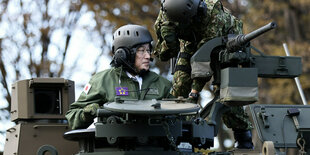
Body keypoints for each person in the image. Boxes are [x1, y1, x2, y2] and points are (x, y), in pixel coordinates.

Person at [154, 0, 253, 149]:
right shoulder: (167, 11)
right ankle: (174, 135)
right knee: (179, 86)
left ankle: (244, 139)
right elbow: (164, 50)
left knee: (227, 94)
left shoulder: (213, 15)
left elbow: (203, 60)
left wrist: (194, 93)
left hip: (224, 42)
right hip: (191, 40)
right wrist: (168, 40)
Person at [66, 24, 173, 130]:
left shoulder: (162, 84)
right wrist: (86, 114)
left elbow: (180, 117)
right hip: (114, 145)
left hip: (154, 145)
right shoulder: (103, 81)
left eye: (148, 50)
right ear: (124, 54)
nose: (148, 56)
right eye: (141, 50)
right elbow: (72, 117)